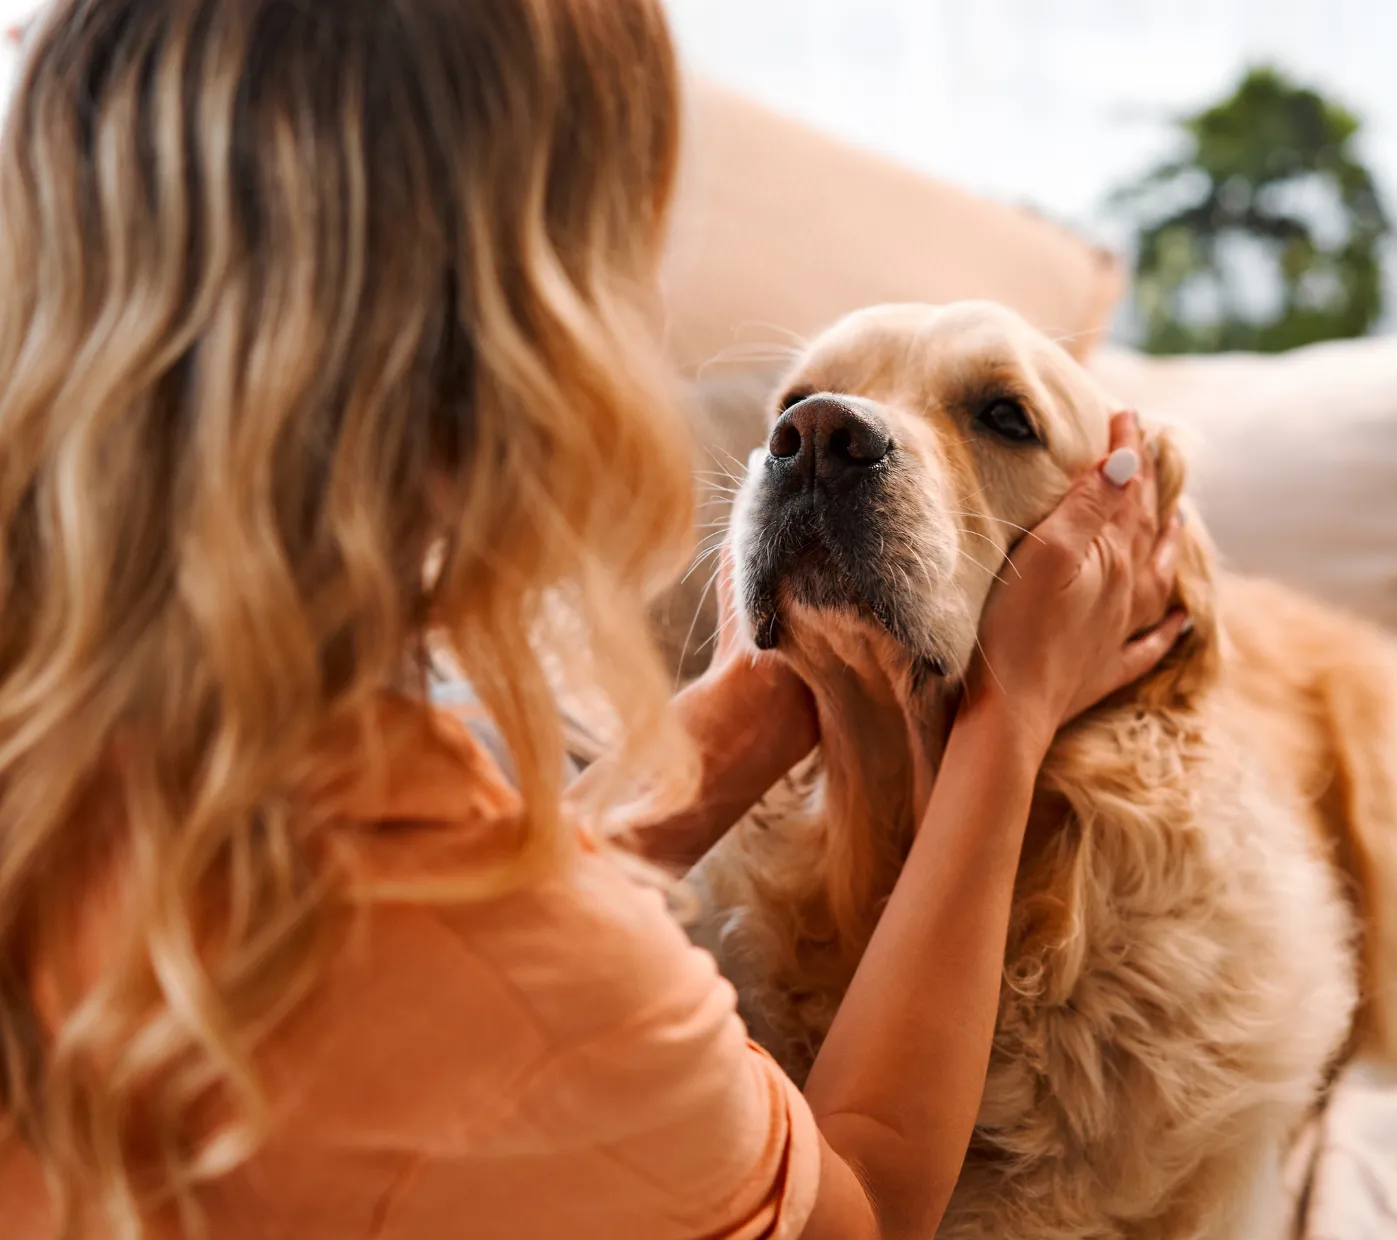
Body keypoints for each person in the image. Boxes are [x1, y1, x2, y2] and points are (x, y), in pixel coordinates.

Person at [0, 2, 1183, 1238]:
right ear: (528, 344)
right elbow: (864, 1199)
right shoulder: (542, 991)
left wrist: (753, 697)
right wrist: (1010, 718)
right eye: (626, 256)